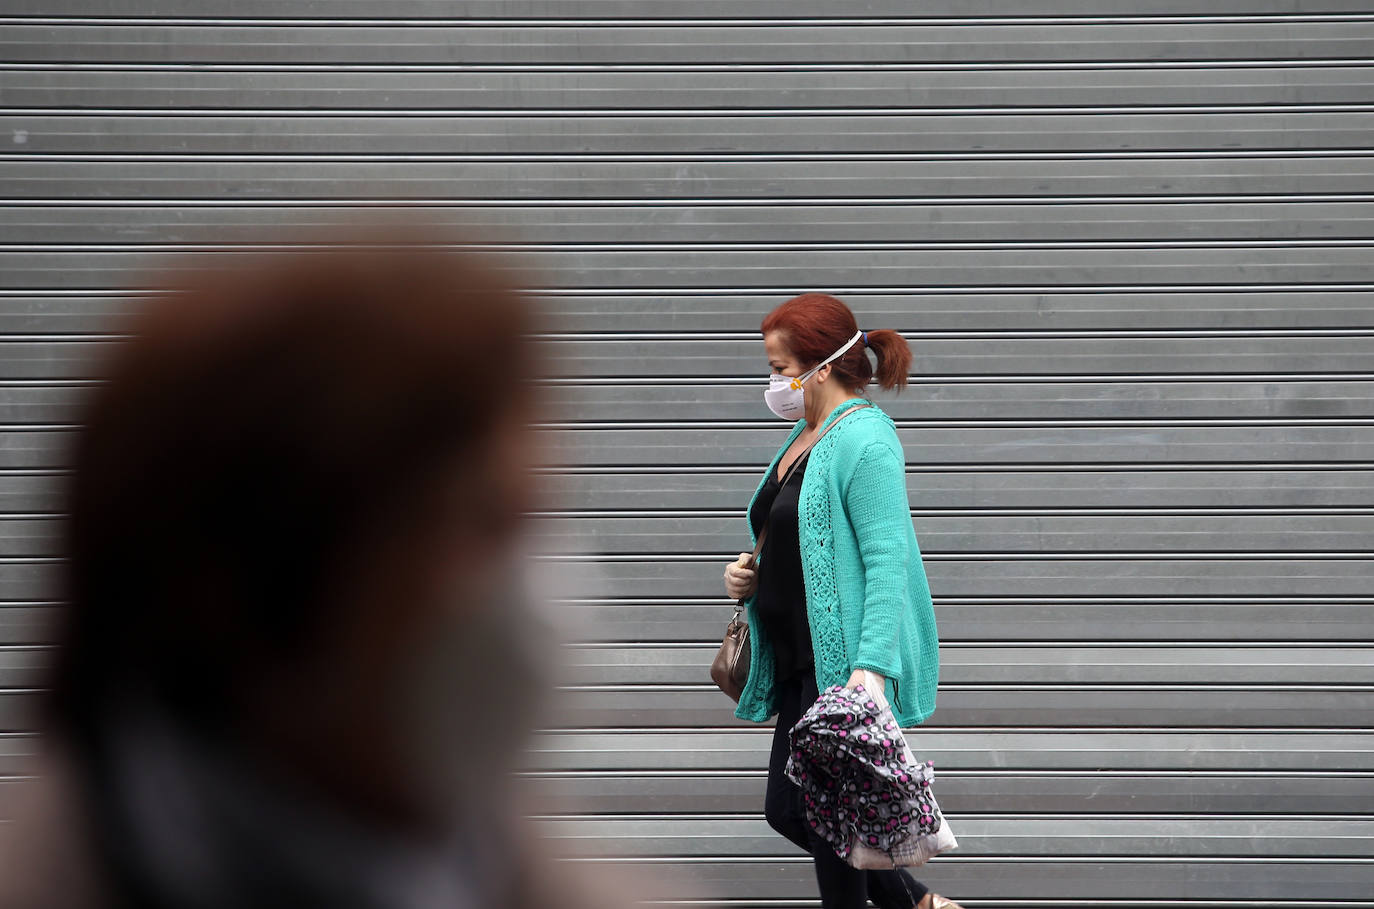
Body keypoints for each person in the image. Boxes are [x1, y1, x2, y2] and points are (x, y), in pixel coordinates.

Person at [0, 234, 638, 909]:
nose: (534, 587)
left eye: (535, 524)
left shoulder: (515, 868)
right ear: (272, 578)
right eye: (484, 524)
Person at [722, 293, 962, 909]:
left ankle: (915, 902)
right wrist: (752, 573)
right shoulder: (809, 434)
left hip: (838, 670)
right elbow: (804, 537)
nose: (773, 382)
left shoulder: (866, 440)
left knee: (818, 816)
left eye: (779, 369)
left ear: (820, 366)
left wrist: (872, 668)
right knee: (803, 813)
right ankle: (918, 903)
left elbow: (889, 560)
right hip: (799, 659)